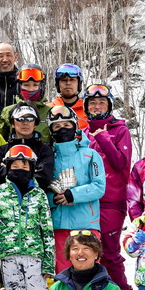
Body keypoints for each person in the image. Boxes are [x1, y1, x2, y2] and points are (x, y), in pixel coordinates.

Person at [0, 145, 56, 290]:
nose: (20, 168)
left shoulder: (39, 195)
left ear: (32, 168)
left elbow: (47, 228)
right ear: (8, 166)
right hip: (8, 255)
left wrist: (49, 262)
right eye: (15, 164)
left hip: (34, 256)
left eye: (25, 165)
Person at [83, 84, 132, 290]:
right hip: (87, 201)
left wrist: (103, 137)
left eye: (101, 102)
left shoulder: (120, 131)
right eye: (92, 103)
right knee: (89, 250)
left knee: (110, 251)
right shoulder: (83, 133)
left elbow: (121, 163)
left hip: (111, 201)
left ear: (109, 105)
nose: (96, 106)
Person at [46, 105, 106, 263]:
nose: (62, 130)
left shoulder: (90, 155)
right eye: (57, 126)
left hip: (86, 224)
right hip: (58, 225)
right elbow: (41, 188)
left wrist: (73, 195)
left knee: (88, 271)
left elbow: (99, 186)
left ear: (75, 126)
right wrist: (52, 199)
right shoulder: (49, 158)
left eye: (67, 125)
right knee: (64, 274)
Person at [0, 104, 54, 190]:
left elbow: (44, 178)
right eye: (20, 119)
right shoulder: (0, 150)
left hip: (35, 200)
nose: (25, 123)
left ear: (35, 124)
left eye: (30, 119)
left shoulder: (45, 150)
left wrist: (10, 171)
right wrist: (31, 172)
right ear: (12, 123)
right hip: (6, 199)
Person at [0, 65, 49, 138]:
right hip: (15, 148)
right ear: (19, 87)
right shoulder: (8, 111)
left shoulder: (50, 113)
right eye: (26, 85)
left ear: (42, 87)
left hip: (42, 149)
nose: (30, 89)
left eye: (35, 85)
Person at [48, 63, 89, 129]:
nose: (68, 83)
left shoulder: (88, 111)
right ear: (58, 85)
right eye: (63, 80)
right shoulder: (49, 110)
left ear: (79, 84)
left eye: (72, 80)